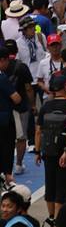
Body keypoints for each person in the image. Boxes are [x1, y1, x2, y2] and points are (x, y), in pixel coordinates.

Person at [35, 72, 66, 222]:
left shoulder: (46, 106)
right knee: (62, 184)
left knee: (50, 183)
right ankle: (59, 220)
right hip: (63, 151)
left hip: (48, 151)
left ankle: (51, 216)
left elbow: (39, 130)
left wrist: (37, 151)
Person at [0, 46, 22, 184]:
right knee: (7, 147)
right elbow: (16, 98)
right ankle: (7, 174)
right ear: (3, 60)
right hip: (4, 119)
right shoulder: (2, 78)